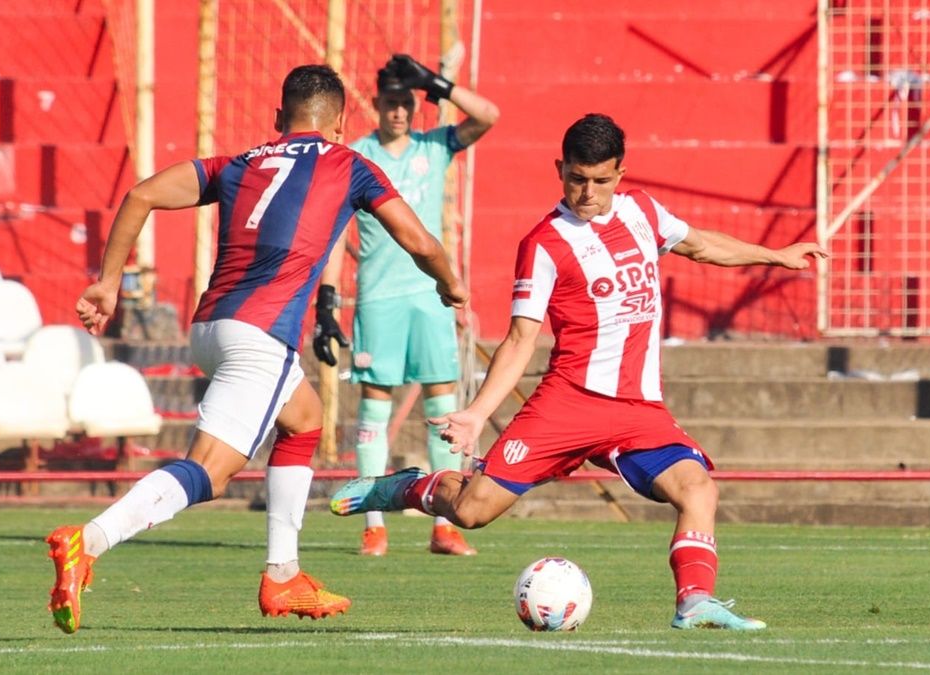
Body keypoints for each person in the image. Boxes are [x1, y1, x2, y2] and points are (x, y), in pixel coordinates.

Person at [330, 113, 827, 630]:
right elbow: (521, 337)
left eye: (601, 180)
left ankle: (694, 601)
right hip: (567, 404)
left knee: (698, 488)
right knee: (473, 512)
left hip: (638, 412)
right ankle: (406, 487)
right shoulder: (544, 243)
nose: (588, 192)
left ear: (621, 174)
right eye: (577, 178)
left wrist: (776, 256)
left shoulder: (645, 214)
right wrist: (478, 414)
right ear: (559, 169)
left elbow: (700, 244)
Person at [45, 64, 468, 634]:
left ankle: (284, 573)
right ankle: (88, 540)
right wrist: (450, 283)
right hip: (259, 339)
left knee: (304, 418)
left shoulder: (240, 163)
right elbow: (419, 240)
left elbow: (142, 194)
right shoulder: (350, 165)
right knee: (209, 474)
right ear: (341, 123)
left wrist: (108, 281)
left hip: (211, 327)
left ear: (278, 119)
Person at [315, 54, 499, 557]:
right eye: (391, 103)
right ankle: (373, 523)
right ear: (375, 104)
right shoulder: (354, 156)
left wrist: (439, 85)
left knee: (443, 408)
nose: (399, 112)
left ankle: (444, 524)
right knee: (374, 404)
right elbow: (335, 235)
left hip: (430, 297)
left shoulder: (434, 146)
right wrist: (327, 301)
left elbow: (488, 115)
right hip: (378, 300)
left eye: (407, 103)